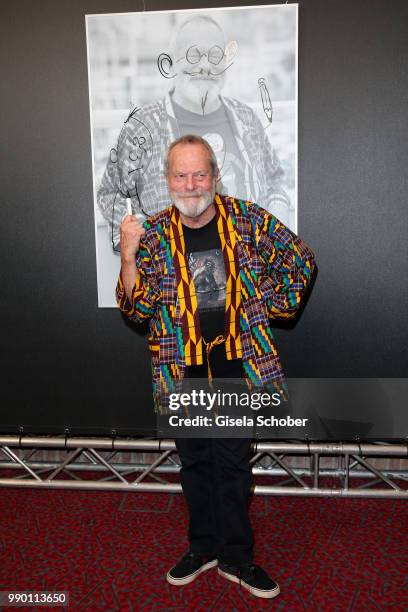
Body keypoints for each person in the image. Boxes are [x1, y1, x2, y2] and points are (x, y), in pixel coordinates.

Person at [116, 135, 315, 599]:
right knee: (194, 464)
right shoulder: (154, 233)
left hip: (235, 368)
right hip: (179, 367)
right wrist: (126, 254)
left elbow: (301, 261)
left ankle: (237, 558)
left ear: (215, 174)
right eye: (180, 175)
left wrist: (265, 305)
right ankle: (202, 547)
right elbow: (136, 309)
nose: (190, 184)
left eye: (199, 173)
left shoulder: (247, 219)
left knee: (232, 465)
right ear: (167, 180)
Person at [98, 14, 291, 251]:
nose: (205, 65)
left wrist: (277, 224)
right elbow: (110, 194)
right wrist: (150, 245)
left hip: (250, 275)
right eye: (193, 54)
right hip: (174, 280)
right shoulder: (143, 127)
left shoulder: (246, 118)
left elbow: (276, 178)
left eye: (215, 55)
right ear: (172, 64)